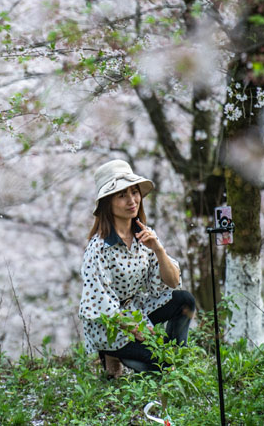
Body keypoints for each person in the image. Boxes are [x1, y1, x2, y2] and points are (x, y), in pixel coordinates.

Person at [79, 159, 196, 377]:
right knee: (159, 367)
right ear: (108, 203)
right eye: (122, 195)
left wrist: (158, 249)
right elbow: (99, 305)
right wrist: (138, 329)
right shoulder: (98, 248)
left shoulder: (144, 235)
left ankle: (177, 356)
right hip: (110, 324)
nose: (132, 200)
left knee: (185, 300)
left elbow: (171, 283)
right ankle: (112, 353)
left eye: (134, 192)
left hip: (136, 310)